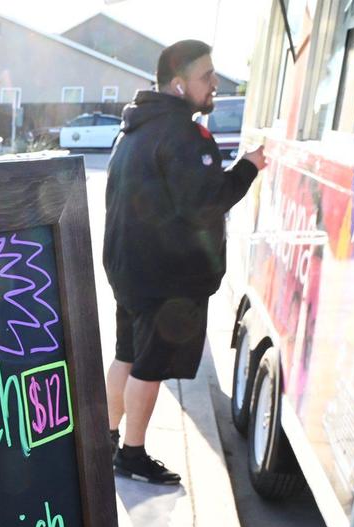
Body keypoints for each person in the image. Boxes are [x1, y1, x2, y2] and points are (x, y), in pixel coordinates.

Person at [103, 39, 267, 484]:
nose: (215, 84)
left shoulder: (136, 125)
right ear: (179, 85)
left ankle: (105, 439)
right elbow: (204, 203)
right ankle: (131, 455)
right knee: (148, 368)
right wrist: (248, 167)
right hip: (162, 276)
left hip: (128, 268)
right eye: (206, 77)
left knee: (126, 355)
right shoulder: (181, 133)